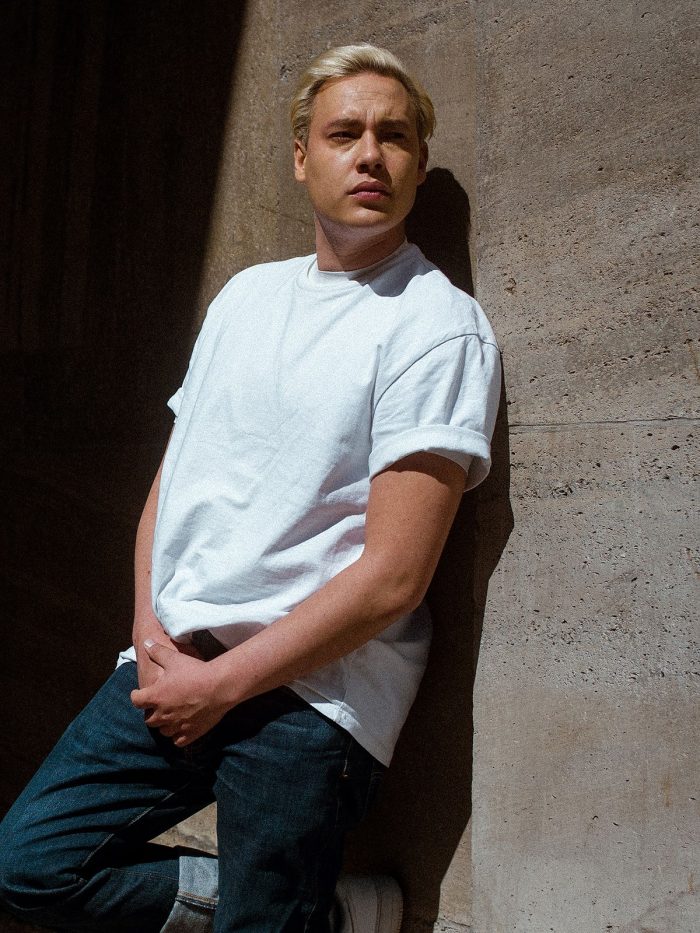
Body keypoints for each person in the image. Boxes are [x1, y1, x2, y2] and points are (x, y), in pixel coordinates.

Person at [0, 44, 500, 932]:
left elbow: (394, 576)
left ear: (420, 163)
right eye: (344, 133)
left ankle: (291, 910)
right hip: (173, 661)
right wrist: (148, 630)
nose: (371, 155)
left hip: (311, 698)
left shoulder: (437, 326)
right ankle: (319, 911)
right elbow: (173, 480)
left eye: (394, 136)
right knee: (26, 867)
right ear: (301, 158)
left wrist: (227, 684)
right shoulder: (244, 297)